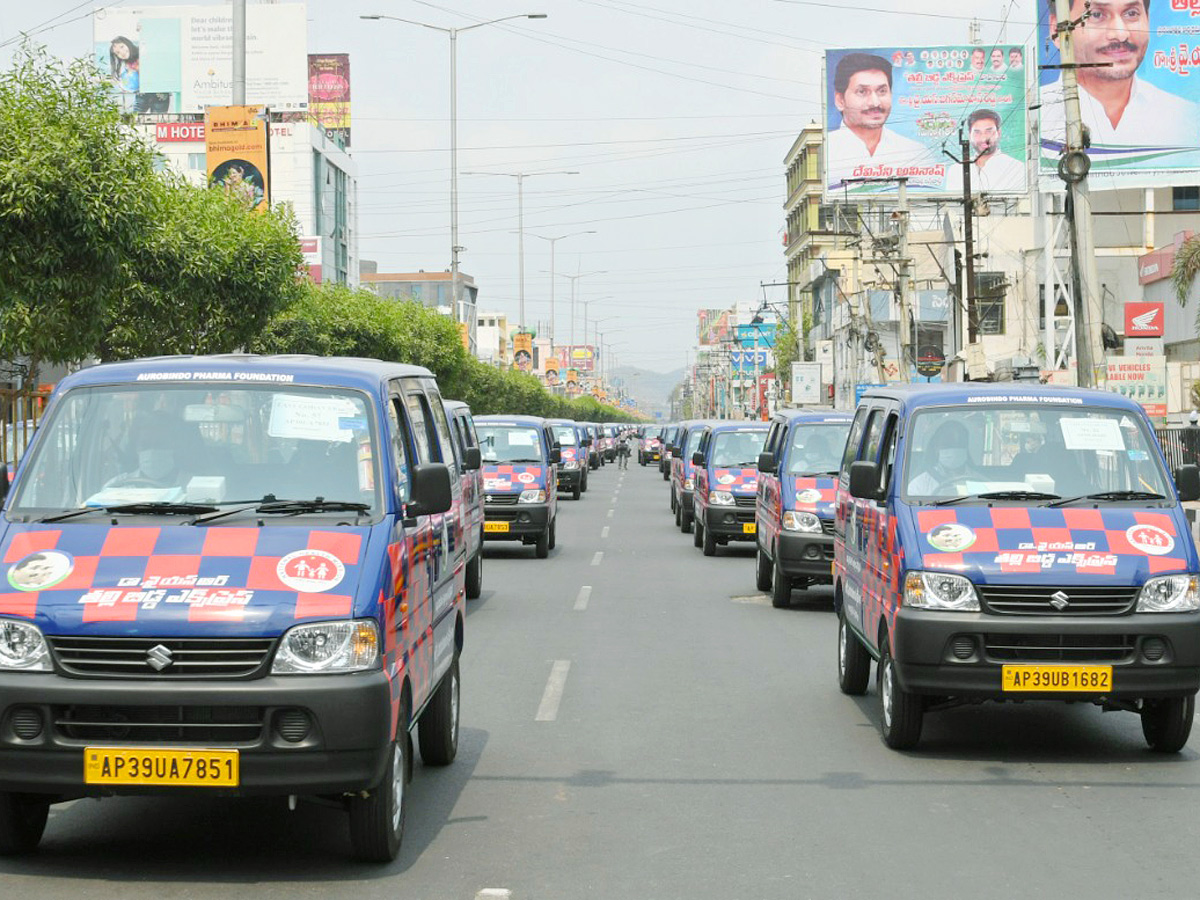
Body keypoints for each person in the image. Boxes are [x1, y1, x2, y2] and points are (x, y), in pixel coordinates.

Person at [1041, 0, 1196, 152]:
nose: (1121, 34)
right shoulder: (1030, 116)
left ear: (1148, 19)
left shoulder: (1186, 118)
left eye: (1131, 13)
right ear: (1057, 30)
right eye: (1096, 14)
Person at [826, 53, 930, 189]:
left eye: (882, 91)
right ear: (840, 100)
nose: (875, 102)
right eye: (862, 92)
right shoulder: (826, 154)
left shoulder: (917, 152)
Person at [944, 109, 1026, 193]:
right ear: (969, 135)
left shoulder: (1016, 168)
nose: (983, 139)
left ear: (999, 133)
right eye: (977, 132)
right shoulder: (956, 170)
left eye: (989, 131)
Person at [907, 420, 979, 495]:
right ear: (935, 448)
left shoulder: (980, 482)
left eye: (959, 444)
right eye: (948, 444)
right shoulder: (918, 486)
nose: (954, 450)